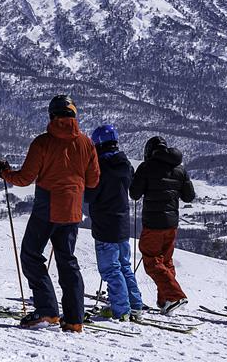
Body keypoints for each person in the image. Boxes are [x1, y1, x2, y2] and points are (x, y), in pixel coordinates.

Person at [0, 94, 99, 333]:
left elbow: (25, 179)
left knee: (31, 254)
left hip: (47, 206)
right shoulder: (87, 143)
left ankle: (47, 310)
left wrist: (4, 173)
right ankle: (74, 319)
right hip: (73, 210)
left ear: (52, 115)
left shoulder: (42, 143)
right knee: (67, 261)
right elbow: (93, 181)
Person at [129, 136, 195, 316]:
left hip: (153, 223)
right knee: (165, 261)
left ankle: (175, 296)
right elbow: (189, 197)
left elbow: (134, 194)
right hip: (172, 224)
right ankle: (166, 300)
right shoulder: (180, 169)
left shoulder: (146, 167)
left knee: (151, 260)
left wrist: (134, 178)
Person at [84, 124, 144, 322]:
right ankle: (135, 306)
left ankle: (121, 309)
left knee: (110, 269)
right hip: (122, 222)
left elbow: (90, 195)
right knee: (124, 265)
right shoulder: (125, 164)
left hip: (104, 224)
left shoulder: (99, 167)